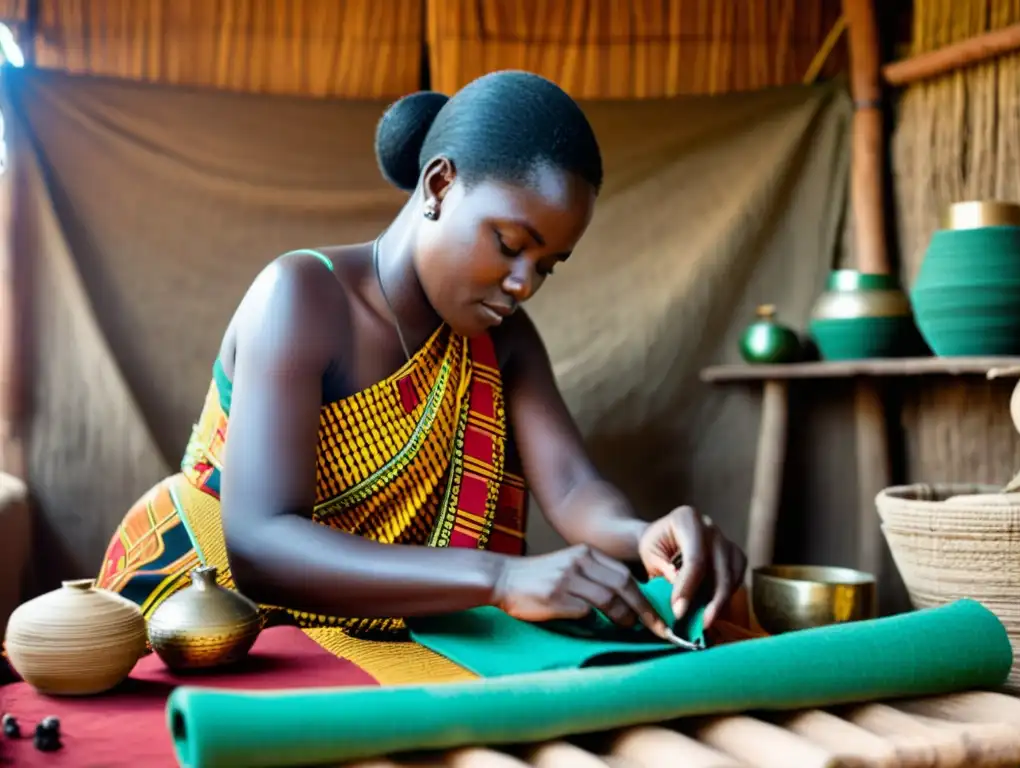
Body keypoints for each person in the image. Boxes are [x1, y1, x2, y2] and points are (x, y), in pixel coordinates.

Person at [96, 70, 747, 683]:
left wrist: (643, 536)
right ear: (438, 187)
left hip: (377, 630)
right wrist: (500, 580)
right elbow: (261, 543)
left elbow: (574, 488)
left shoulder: (502, 341)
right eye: (509, 244)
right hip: (201, 618)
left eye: (549, 265)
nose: (524, 284)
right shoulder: (300, 298)